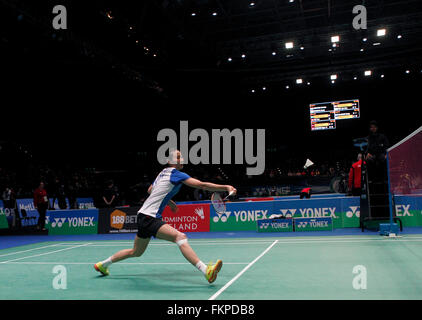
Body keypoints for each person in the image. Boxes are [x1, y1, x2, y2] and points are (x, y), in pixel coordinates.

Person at [94, 150, 237, 284]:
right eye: (179, 157)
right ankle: (206, 271)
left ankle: (102, 264)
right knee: (180, 237)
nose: (182, 159)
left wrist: (169, 202)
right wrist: (227, 187)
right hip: (150, 217)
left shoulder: (163, 173)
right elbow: (202, 185)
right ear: (170, 161)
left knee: (136, 252)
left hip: (142, 215)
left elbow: (151, 190)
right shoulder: (176, 174)